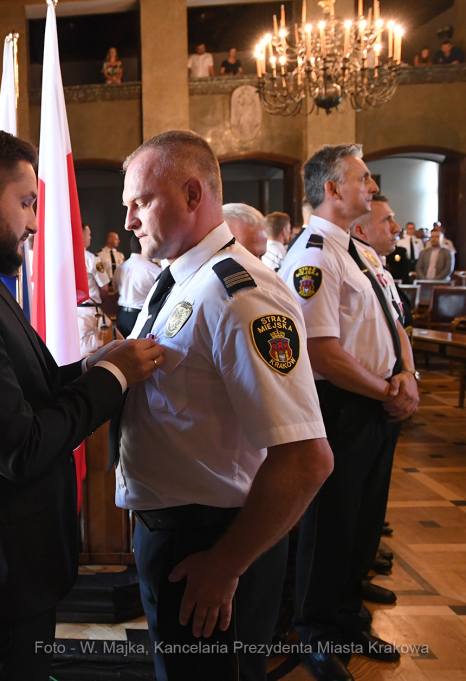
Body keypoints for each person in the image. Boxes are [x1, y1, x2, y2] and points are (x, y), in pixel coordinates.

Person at [0, 126, 164, 680]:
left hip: (13, 553)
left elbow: (18, 390)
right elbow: (20, 446)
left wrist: (86, 368)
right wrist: (113, 377)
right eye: (26, 203)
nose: (35, 222)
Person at [115, 131, 333, 681]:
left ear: (193, 194)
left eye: (142, 202)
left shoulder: (241, 294)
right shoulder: (178, 279)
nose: (130, 221)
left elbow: (307, 459)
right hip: (173, 535)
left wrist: (226, 565)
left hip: (215, 542)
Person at [279, 144, 419, 681]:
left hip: (376, 401)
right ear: (333, 189)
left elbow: (392, 321)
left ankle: (346, 619)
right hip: (342, 405)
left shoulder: (357, 251)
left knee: (363, 522)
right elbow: (320, 351)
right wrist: (386, 390)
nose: (373, 187)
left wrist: (406, 375)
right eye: (363, 179)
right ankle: (316, 633)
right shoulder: (315, 254)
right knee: (332, 524)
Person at [351, 195, 412, 328]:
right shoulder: (353, 273)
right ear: (361, 231)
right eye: (386, 220)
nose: (397, 228)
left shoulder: (383, 272)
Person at [113, 233, 160, 337]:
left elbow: (116, 293)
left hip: (122, 315)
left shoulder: (120, 268)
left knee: (122, 345)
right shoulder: (153, 269)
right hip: (140, 315)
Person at [79, 224, 112, 356]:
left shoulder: (63, 257)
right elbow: (104, 288)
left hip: (68, 314)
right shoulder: (91, 258)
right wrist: (100, 301)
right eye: (89, 234)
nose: (90, 238)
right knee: (92, 355)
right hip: (89, 313)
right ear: (82, 237)